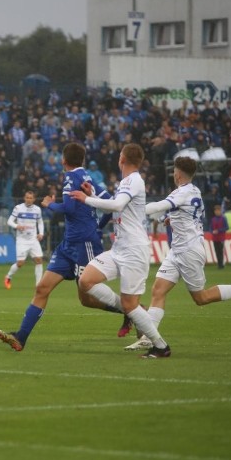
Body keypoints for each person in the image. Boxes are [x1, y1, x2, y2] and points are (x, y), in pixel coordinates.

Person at [0, 142, 120, 352]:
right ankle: (21, 337)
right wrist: (97, 225)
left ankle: (133, 311)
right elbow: (110, 204)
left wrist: (49, 204)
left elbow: (69, 209)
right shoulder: (89, 177)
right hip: (68, 245)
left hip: (83, 245)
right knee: (42, 288)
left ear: (63, 160)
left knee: (87, 298)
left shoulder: (71, 178)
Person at [132, 157, 231, 351]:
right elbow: (190, 214)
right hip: (178, 250)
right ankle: (149, 336)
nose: (173, 174)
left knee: (200, 298)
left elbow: (159, 206)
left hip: (189, 251)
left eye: (174, 171)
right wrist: (172, 219)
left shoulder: (182, 192)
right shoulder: (194, 191)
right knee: (158, 290)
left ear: (177, 173)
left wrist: (134, 210)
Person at [68, 143, 172, 358]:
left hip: (134, 250)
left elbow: (116, 206)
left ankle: (161, 346)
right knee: (86, 281)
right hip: (119, 248)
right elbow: (119, 205)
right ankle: (133, 310)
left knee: (129, 304)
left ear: (122, 159)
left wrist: (86, 199)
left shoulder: (133, 180)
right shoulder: (128, 182)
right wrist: (95, 192)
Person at [4, 190, 45, 290]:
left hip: (33, 239)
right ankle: (8, 277)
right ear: (24, 198)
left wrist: (41, 233)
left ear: (34, 199)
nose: (29, 200)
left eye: (31, 198)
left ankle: (38, 284)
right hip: (22, 240)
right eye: (27, 198)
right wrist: (17, 226)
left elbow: (40, 222)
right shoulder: (18, 208)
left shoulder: (37, 209)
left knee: (39, 260)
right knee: (20, 263)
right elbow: (9, 221)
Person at [210, 203, 228, 270]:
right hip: (215, 238)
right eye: (216, 211)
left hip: (221, 238)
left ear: (220, 211)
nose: (217, 212)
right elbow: (210, 228)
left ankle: (221, 264)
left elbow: (226, 227)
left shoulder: (223, 219)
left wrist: (219, 230)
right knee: (217, 251)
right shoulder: (213, 219)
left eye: (218, 210)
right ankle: (219, 264)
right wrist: (212, 231)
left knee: (220, 251)